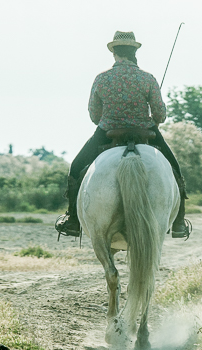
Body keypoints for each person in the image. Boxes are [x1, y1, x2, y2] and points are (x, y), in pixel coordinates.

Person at [54, 31, 190, 239]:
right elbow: (160, 115)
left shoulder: (102, 78)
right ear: (134, 51)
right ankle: (179, 222)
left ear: (114, 53)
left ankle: (73, 219)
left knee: (76, 167)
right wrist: (152, 116)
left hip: (108, 132)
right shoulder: (148, 78)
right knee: (175, 170)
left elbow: (94, 115)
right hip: (146, 132)